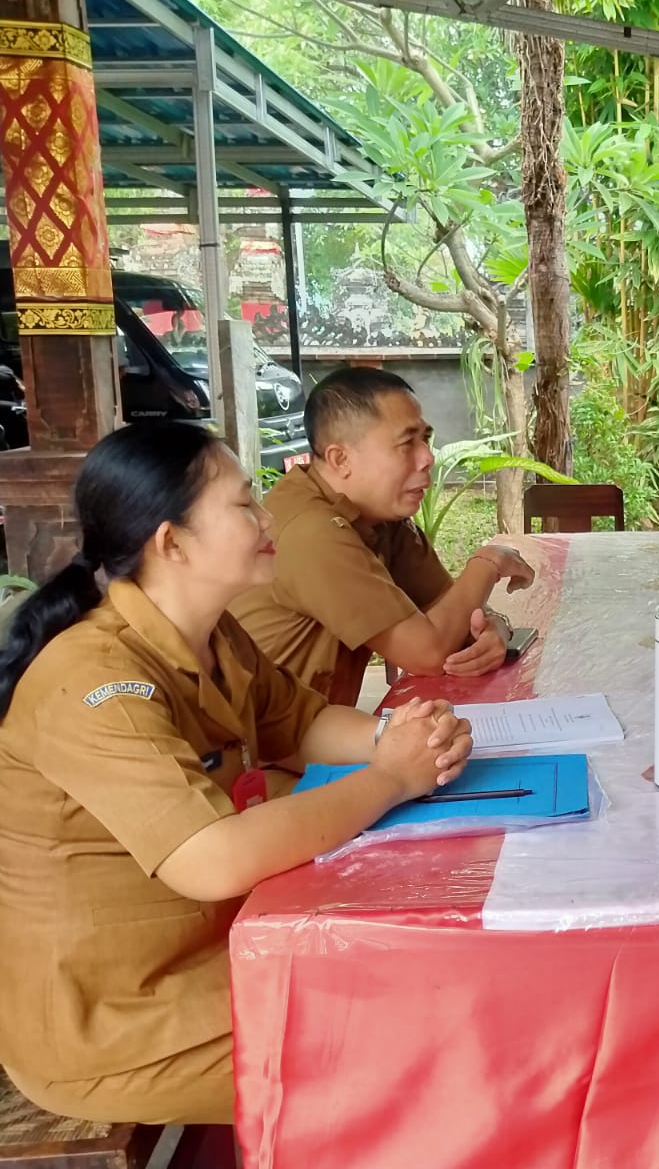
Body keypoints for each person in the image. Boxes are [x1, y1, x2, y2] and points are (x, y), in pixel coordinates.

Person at [0, 422, 474, 1126]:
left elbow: (300, 722)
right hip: (124, 1019)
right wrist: (390, 779)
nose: (267, 518)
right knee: (413, 1049)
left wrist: (400, 736)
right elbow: (212, 857)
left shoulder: (213, 633)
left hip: (218, 946)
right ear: (172, 543)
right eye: (244, 504)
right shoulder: (92, 682)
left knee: (431, 976)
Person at [231, 368, 535, 707]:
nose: (428, 457)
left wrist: (493, 627)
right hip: (260, 738)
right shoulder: (312, 530)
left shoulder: (380, 517)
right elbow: (428, 653)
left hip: (321, 727)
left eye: (425, 439)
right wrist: (489, 562)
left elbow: (452, 613)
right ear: (340, 459)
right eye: (406, 443)